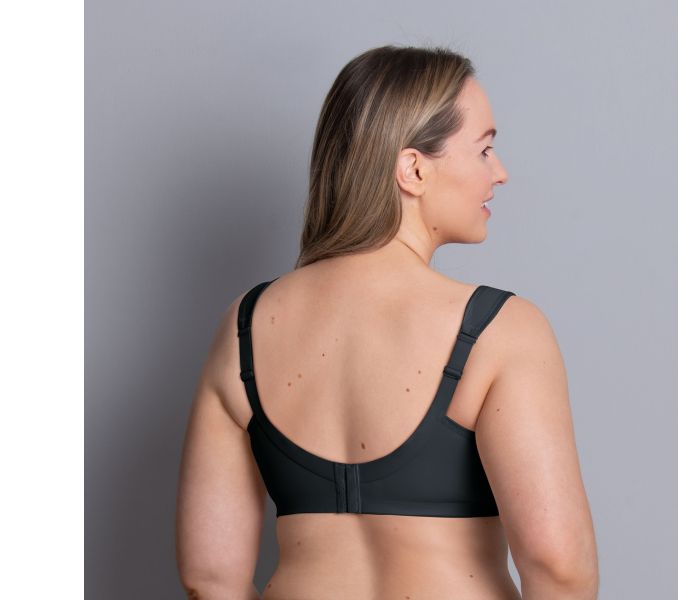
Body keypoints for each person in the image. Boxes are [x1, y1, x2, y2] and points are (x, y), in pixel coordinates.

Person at [175, 44, 598, 600]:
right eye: (484, 149)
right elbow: (557, 565)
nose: (499, 173)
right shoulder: (500, 331)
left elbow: (210, 577)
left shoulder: (244, 328)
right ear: (413, 169)